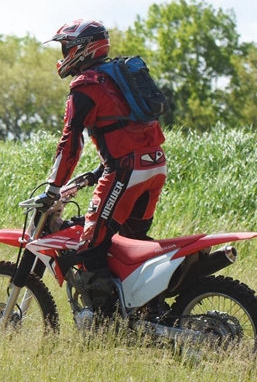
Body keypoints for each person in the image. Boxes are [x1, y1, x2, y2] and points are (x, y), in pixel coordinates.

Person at [39, 18, 167, 314]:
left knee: (91, 246)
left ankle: (107, 324)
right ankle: (147, 313)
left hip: (127, 171)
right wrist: (97, 172)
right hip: (154, 165)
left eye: (65, 48)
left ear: (81, 49)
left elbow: (70, 143)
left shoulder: (85, 86)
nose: (63, 56)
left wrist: (53, 188)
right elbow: (125, 129)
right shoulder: (118, 77)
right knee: (131, 244)